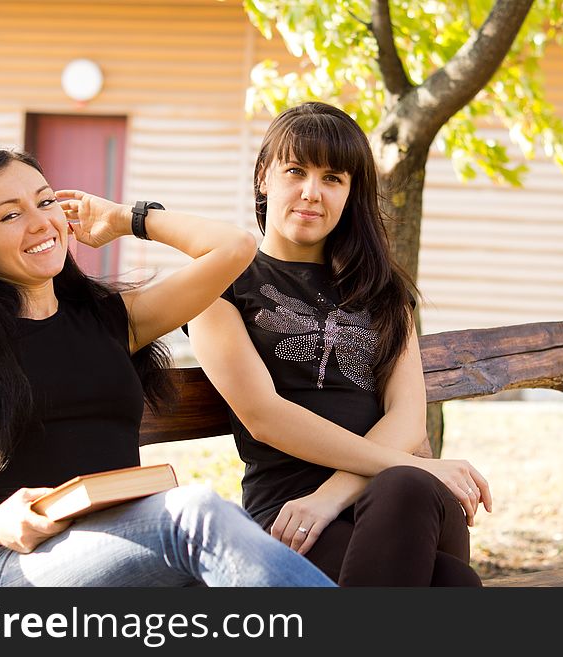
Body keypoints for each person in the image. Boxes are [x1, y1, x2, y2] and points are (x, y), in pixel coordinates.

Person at [0, 149, 336, 588]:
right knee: (195, 516)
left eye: (46, 202)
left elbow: (236, 247)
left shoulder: (115, 319)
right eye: (10, 216)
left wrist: (126, 219)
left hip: (131, 546)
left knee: (217, 546)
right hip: (16, 564)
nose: (41, 222)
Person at [187, 102, 491, 586]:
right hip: (292, 514)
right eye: (295, 171)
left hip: (395, 498)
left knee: (406, 486)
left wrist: (331, 496)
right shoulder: (219, 284)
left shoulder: (383, 290)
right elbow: (266, 418)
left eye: (333, 178)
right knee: (453, 583)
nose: (311, 193)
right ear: (264, 177)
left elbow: (407, 419)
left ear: (351, 194)